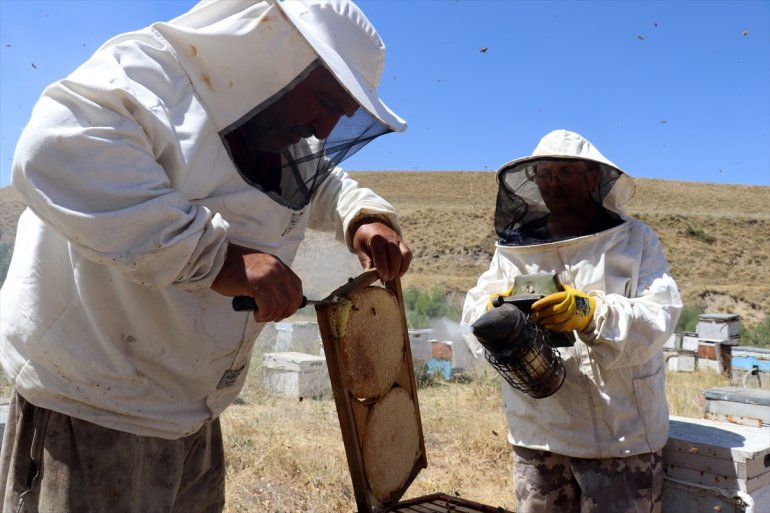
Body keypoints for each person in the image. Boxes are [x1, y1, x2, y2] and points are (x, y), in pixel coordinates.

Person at [0, 1, 412, 511]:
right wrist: (219, 259)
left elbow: (323, 180)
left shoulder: (284, 132)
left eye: (340, 114)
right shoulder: (149, 75)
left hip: (193, 413)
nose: (324, 129)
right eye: (324, 101)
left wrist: (361, 215)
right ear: (275, 53)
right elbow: (54, 150)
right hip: (92, 408)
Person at [461, 129, 682, 513]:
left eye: (565, 171)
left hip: (621, 436)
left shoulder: (635, 240)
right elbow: (474, 311)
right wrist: (495, 315)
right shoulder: (514, 252)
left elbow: (660, 315)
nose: (553, 183)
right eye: (544, 174)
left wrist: (592, 313)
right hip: (540, 436)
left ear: (594, 177)